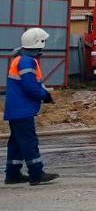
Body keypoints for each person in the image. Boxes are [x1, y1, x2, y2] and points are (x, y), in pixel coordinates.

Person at [4, 28, 59, 186]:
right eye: (43, 42)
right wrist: (45, 95)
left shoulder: (20, 59)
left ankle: (12, 174)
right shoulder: (27, 61)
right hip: (22, 109)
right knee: (29, 141)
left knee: (16, 142)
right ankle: (36, 173)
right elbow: (30, 86)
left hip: (16, 108)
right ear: (38, 43)